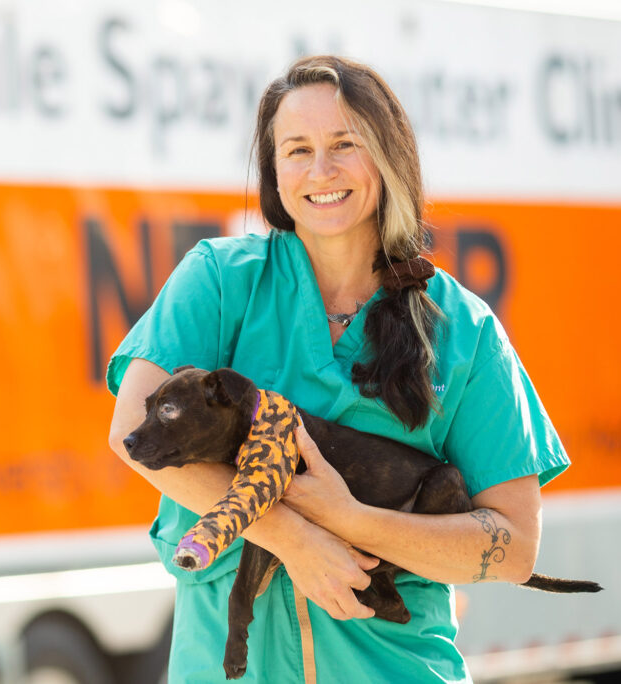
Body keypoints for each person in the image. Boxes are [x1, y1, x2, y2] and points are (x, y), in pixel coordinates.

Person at [106, 55, 569, 683]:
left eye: (344, 144)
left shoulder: (465, 330)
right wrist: (295, 539)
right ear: (274, 170)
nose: (320, 171)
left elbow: (514, 547)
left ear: (388, 157)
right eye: (297, 149)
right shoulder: (218, 280)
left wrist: (354, 523)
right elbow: (131, 435)